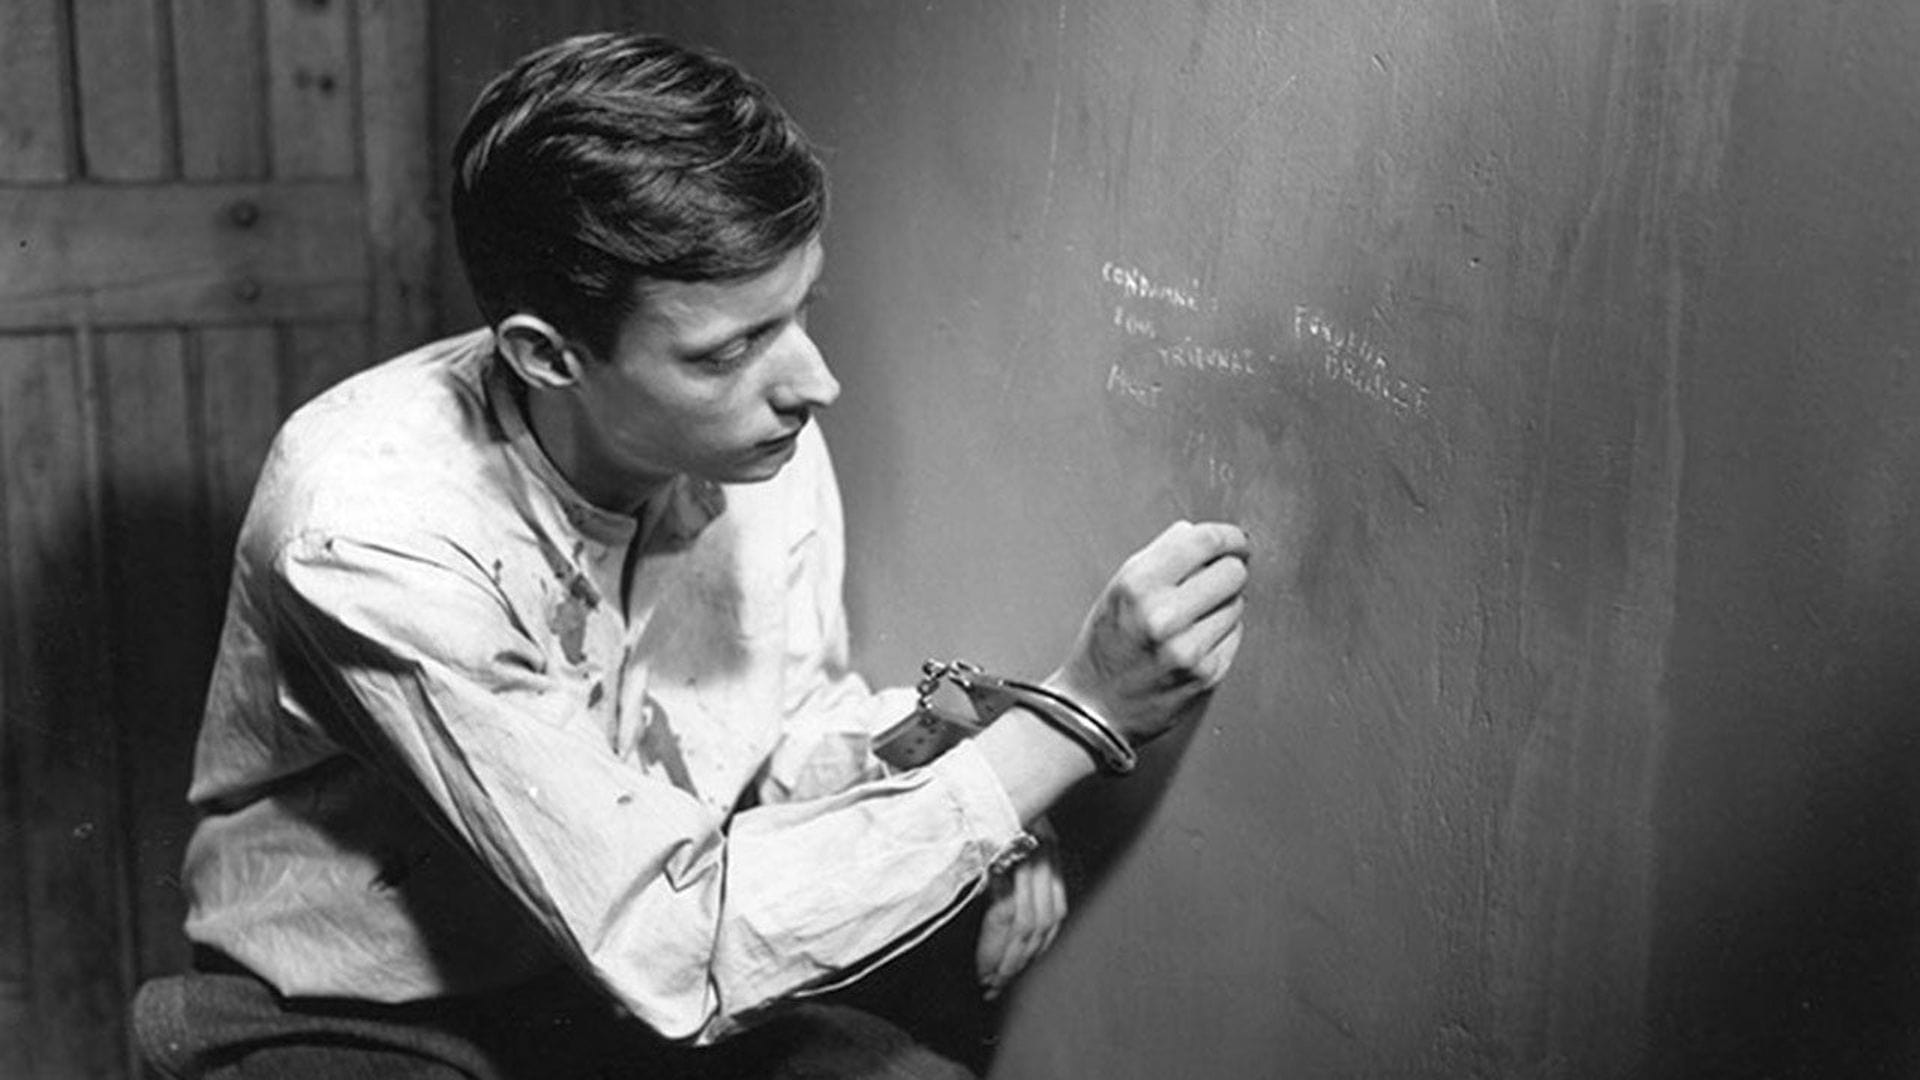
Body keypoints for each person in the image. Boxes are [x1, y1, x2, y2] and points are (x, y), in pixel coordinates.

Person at [132, 30, 1250, 1080]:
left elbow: (779, 732)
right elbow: (667, 937)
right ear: (547, 355)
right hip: (360, 1013)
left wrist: (972, 781)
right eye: (730, 349)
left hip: (609, 992)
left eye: (799, 311)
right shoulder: (367, 529)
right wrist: (1071, 722)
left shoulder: (749, 437)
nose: (813, 383)